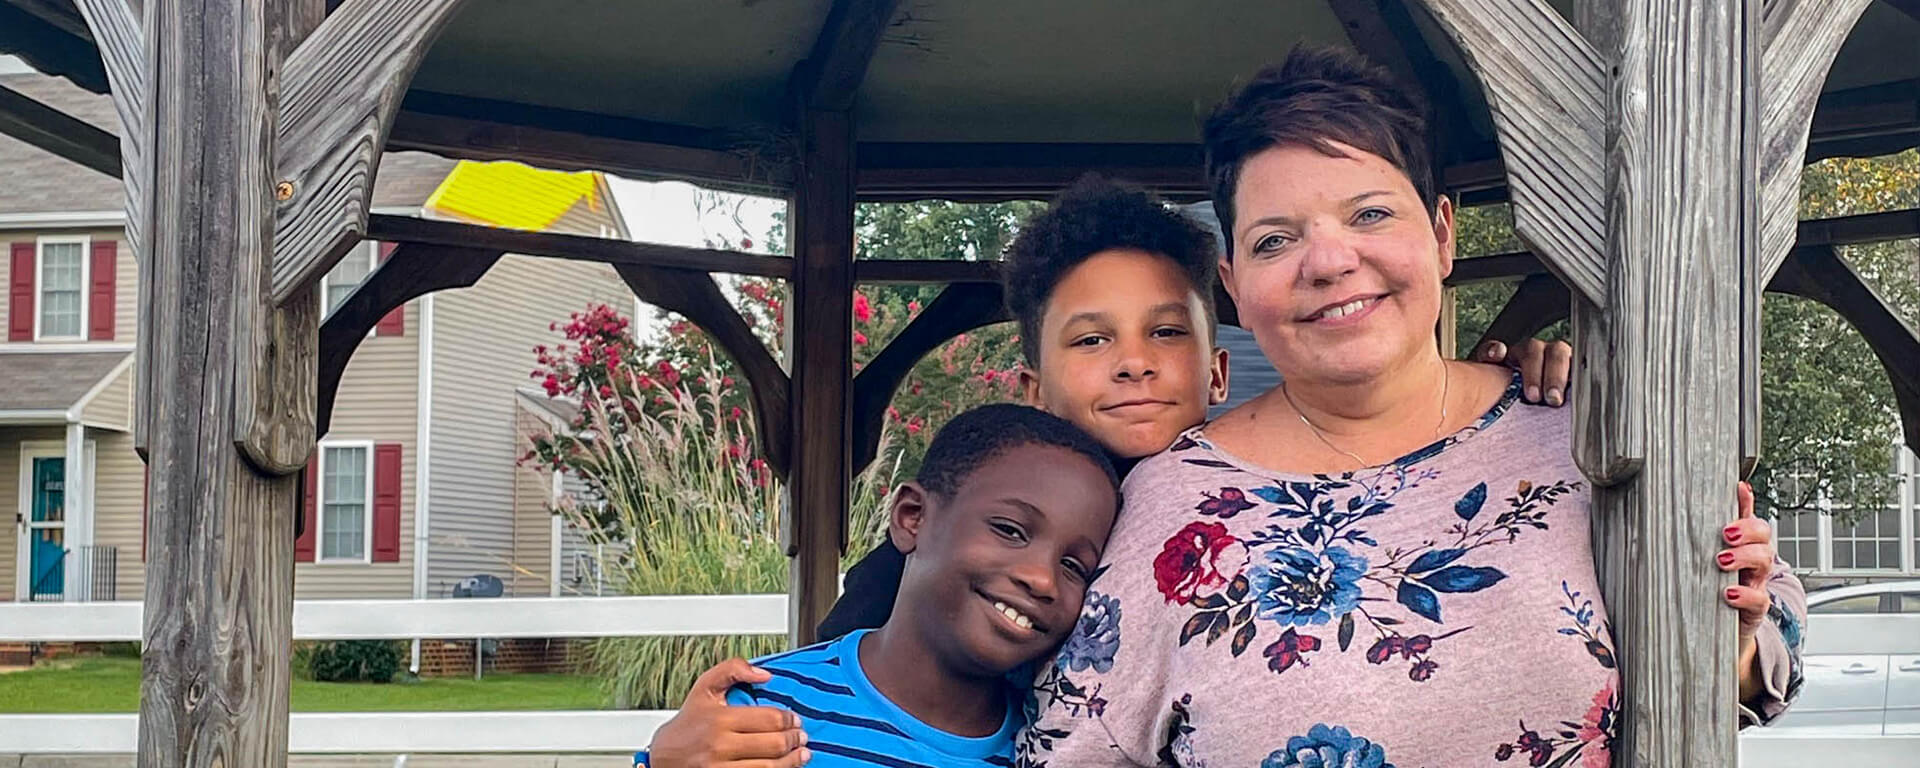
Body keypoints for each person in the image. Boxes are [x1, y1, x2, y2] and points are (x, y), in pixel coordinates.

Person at [1017, 46, 1804, 766]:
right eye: (1274, 241)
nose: (1328, 262)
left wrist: (1723, 646)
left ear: (1441, 234)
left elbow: (1762, 661)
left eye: (1369, 214)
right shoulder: (1167, 505)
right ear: (1233, 288)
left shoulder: (1586, 441)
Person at [643, 175, 1582, 767]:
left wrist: (1497, 382)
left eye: (1166, 333)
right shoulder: (957, 537)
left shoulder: (1254, 506)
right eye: (1091, 340)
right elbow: (845, 679)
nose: (1134, 362)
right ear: (1032, 384)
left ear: (1217, 372)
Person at [635, 404, 1122, 768]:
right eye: (1010, 530)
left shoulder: (1057, 744)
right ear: (913, 517)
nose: (1042, 578)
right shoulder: (765, 714)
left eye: (1074, 566)